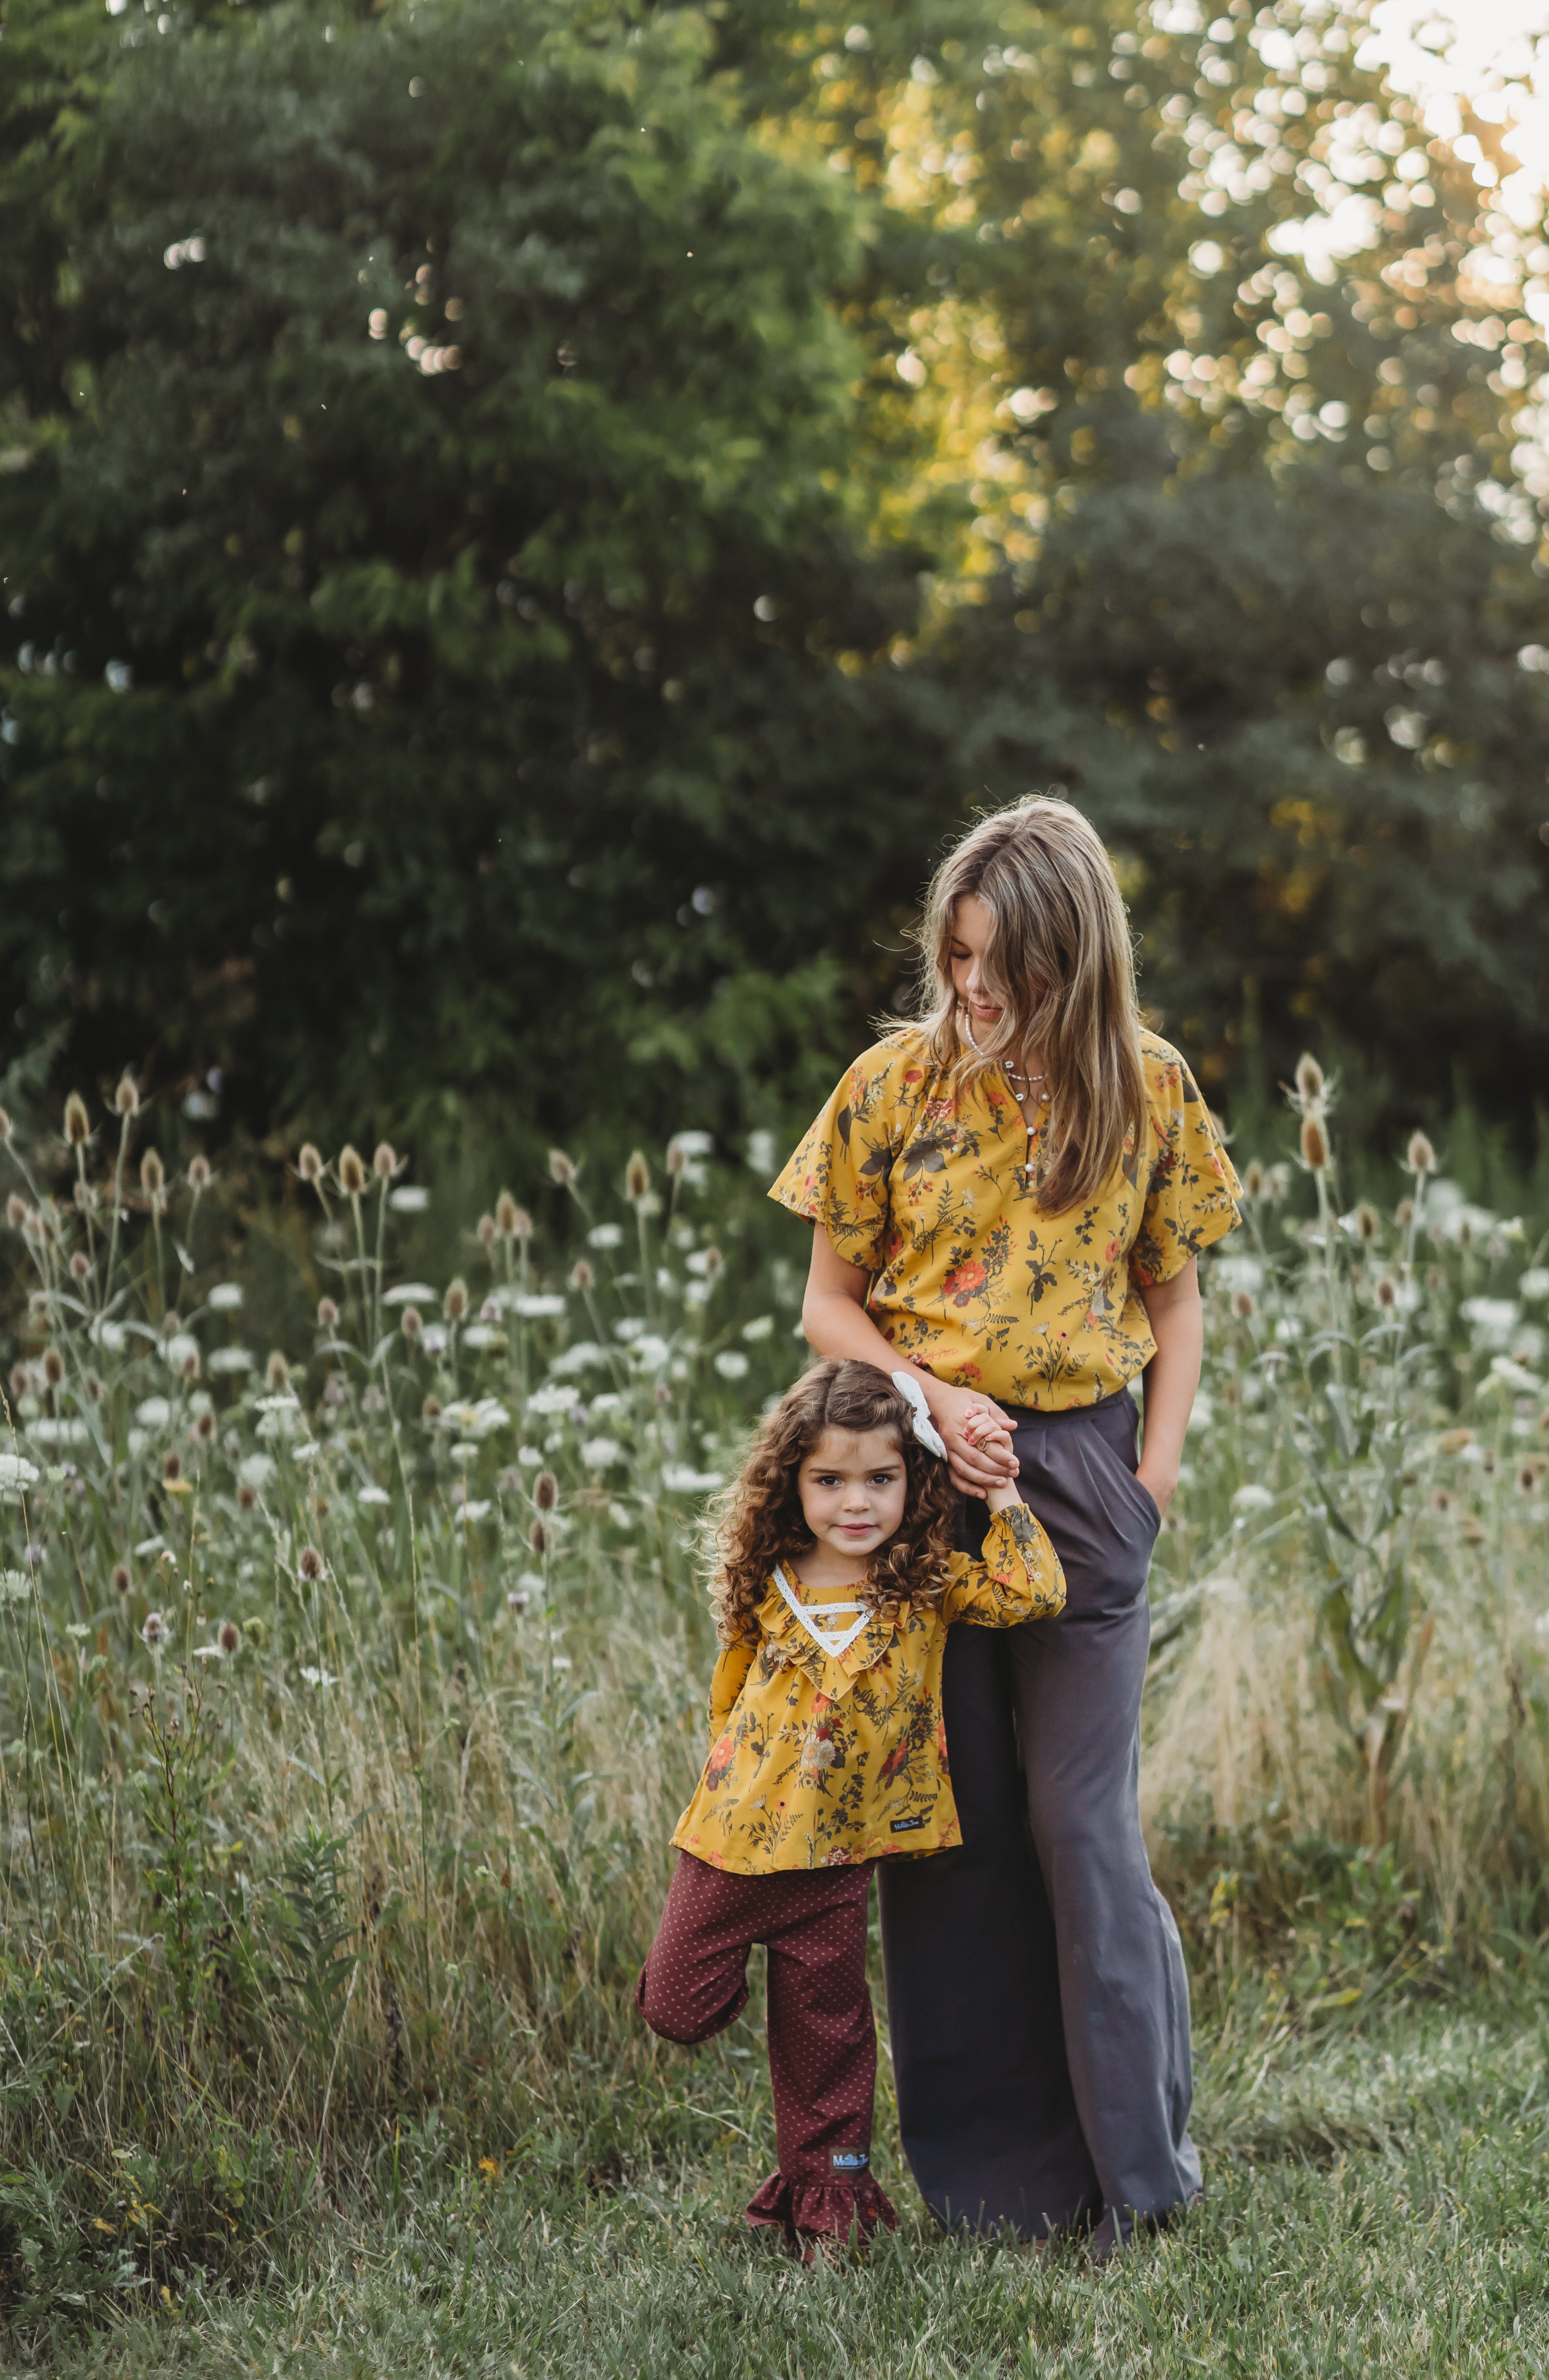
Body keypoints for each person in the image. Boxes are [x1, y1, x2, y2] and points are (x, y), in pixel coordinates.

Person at [769, 795, 1241, 2256]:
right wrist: (922, 1401)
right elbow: (826, 1304)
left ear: (1073, 961)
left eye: (1010, 966)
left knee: (1080, 1829)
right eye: (960, 957)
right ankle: (1003, 2192)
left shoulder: (1147, 1089)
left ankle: (1140, 2182)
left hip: (1089, 1483)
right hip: (922, 1484)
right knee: (955, 1835)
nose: (977, 991)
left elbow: (1177, 1303)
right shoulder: (890, 1089)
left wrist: (1148, 1484)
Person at [637, 1358, 1064, 2256]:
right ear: (792, 1482)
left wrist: (1005, 1493)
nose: (856, 1502)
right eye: (829, 1480)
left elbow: (1037, 1592)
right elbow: (728, 1694)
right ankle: (804, 2162)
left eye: (880, 1478)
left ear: (915, 1479)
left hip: (839, 1862)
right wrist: (727, 1771)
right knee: (676, 2003)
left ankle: (827, 2197)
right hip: (734, 1849)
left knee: (828, 2045)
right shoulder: (771, 1580)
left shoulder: (923, 1586)